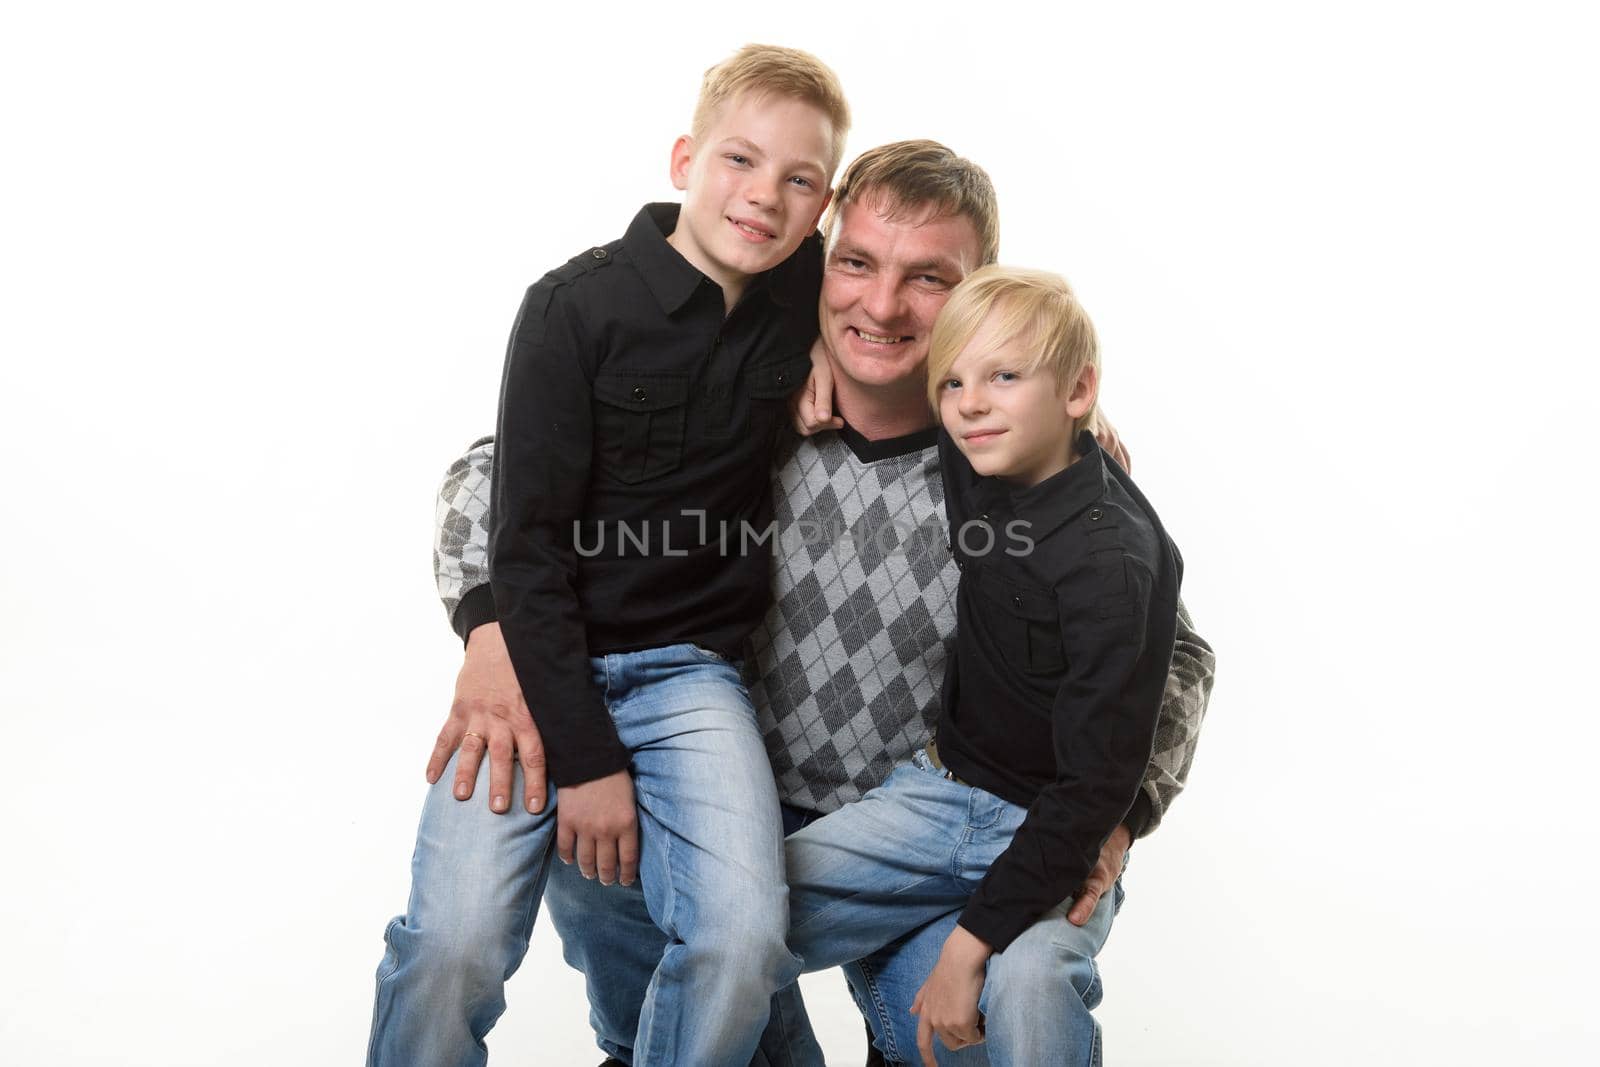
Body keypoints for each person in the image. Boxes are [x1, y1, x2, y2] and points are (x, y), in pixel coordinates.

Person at [428, 142, 1216, 1065]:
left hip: (919, 816)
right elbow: (489, 478)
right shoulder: (744, 394)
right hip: (727, 799)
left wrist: (1117, 809)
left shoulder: (1013, 450)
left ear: (979, 293)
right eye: (857, 263)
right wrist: (490, 632)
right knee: (604, 850)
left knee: (978, 1031)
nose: (882, 307)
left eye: (930, 278)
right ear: (819, 258)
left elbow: (1177, 659)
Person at [367, 44, 851, 1067]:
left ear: (823, 206)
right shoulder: (570, 308)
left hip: (693, 678)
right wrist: (584, 756)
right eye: (739, 160)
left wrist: (1072, 391)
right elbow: (524, 537)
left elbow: (951, 311)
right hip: (543, 666)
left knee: (738, 939)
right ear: (684, 158)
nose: (763, 197)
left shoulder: (808, 289)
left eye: (799, 180)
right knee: (450, 946)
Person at [784, 265, 1180, 1066]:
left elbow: (1094, 786)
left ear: (1078, 391)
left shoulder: (1113, 559)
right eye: (954, 381)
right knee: (729, 916)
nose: (968, 403)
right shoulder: (985, 449)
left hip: (1052, 831)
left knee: (1028, 981)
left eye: (1001, 377)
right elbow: (871, 320)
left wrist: (969, 947)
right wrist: (812, 344)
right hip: (937, 796)